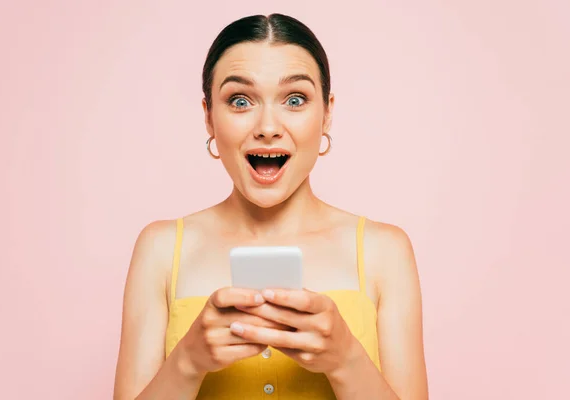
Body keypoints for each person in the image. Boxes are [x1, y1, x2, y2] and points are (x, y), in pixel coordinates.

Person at [113, 13, 428, 400]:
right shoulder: (161, 248)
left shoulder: (385, 250)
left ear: (327, 113)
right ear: (209, 116)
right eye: (240, 100)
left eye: (295, 99)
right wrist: (188, 361)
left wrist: (345, 358)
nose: (267, 126)